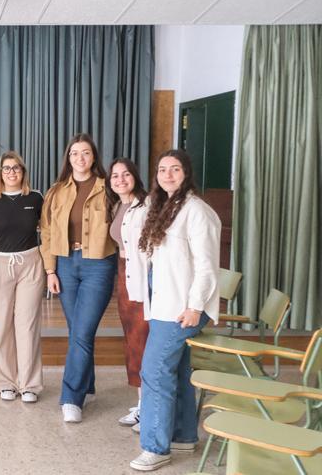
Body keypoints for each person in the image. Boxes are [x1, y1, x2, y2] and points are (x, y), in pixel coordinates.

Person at [129, 150, 220, 472]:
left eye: (175, 169)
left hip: (183, 310)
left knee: (153, 373)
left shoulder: (197, 211)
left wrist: (195, 307)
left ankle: (155, 447)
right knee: (178, 372)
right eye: (162, 169)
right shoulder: (167, 207)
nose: (167, 175)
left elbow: (208, 267)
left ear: (187, 173)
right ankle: (183, 435)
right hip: (166, 306)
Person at [39, 133, 117, 423]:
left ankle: (71, 397)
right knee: (78, 331)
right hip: (65, 265)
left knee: (82, 332)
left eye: (85, 153)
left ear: (94, 157)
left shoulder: (108, 188)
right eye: (74, 154)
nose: (80, 158)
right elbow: (46, 232)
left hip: (98, 264)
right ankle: (88, 384)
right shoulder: (57, 191)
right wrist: (50, 270)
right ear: (68, 158)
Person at [0, 151, 46, 404]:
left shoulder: (36, 198)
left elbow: (48, 233)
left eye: (16, 168)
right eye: (6, 168)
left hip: (30, 264)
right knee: (1, 325)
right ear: (0, 173)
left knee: (27, 325)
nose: (11, 172)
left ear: (23, 171)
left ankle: (29, 384)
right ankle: (5, 382)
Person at [105, 158, 150, 429]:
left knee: (143, 342)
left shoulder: (147, 205)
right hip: (124, 275)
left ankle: (149, 408)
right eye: (115, 176)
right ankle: (142, 404)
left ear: (135, 176)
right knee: (133, 342)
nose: (120, 180)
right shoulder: (118, 205)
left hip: (142, 278)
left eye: (126, 174)